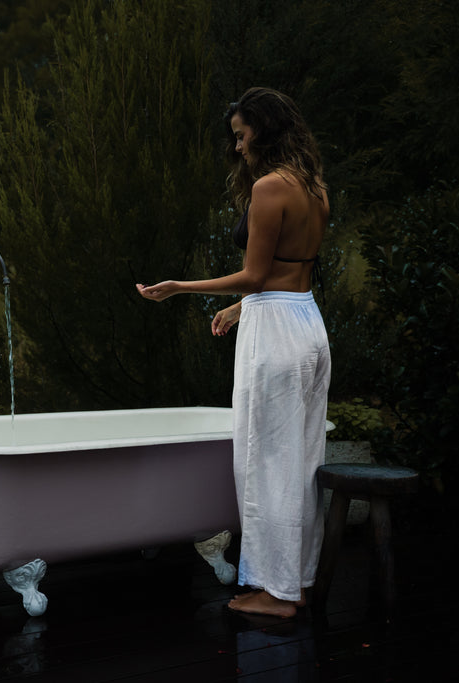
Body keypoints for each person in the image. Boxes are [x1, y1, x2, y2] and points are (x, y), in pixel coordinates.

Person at [136, 87, 331, 619]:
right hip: (306, 324)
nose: (238, 147)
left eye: (242, 135)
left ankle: (276, 594)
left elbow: (254, 275)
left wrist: (180, 286)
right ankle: (294, 582)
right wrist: (242, 309)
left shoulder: (269, 188)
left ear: (263, 130)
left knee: (265, 461)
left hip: (276, 335)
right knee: (300, 459)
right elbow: (288, 277)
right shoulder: (313, 186)